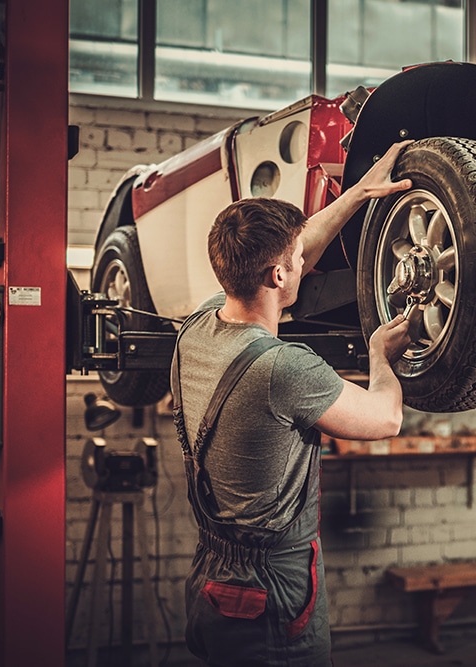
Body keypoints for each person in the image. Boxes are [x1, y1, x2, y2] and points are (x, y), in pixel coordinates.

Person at [170, 141, 414, 666]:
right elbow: (386, 418)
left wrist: (355, 196)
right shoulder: (283, 368)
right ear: (278, 276)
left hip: (212, 573)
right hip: (269, 592)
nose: (306, 260)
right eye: (297, 259)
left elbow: (302, 243)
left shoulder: (200, 324)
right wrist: (380, 356)